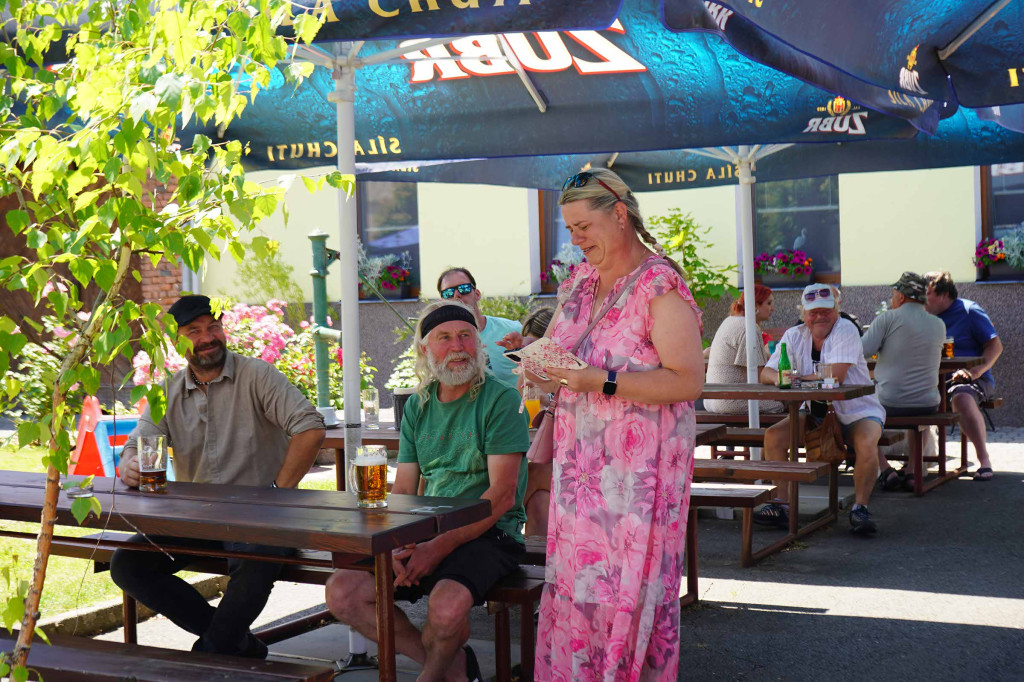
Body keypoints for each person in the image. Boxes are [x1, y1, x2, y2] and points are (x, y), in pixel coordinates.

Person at [523, 168, 704, 680]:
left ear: (620, 215)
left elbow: (689, 380)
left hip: (637, 480)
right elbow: (565, 359)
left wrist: (599, 381)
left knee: (625, 592)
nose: (576, 239)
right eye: (570, 229)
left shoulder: (659, 284)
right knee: (580, 588)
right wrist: (538, 366)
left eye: (584, 226)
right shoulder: (580, 283)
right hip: (580, 475)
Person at [111, 295, 326, 658]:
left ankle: (210, 653)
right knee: (128, 564)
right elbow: (135, 447)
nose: (208, 338)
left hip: (263, 518)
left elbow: (310, 427)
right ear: (176, 341)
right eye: (194, 331)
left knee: (259, 558)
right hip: (197, 519)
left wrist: (278, 492)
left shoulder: (257, 375)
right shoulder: (166, 391)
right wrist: (130, 465)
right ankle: (235, 644)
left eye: (213, 327)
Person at [325, 301, 528, 682]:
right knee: (342, 591)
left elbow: (501, 496)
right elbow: (403, 488)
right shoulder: (418, 406)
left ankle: (432, 676)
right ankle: (454, 669)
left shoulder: (501, 400)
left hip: (490, 533)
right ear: (424, 349)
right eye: (444, 338)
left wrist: (437, 547)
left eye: (466, 336)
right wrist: (394, 542)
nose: (458, 346)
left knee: (447, 609)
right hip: (425, 529)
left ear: (479, 344)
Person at [759, 284, 886, 535]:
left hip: (857, 410)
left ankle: (860, 508)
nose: (820, 316)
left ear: (836, 310)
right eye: (813, 312)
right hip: (814, 412)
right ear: (803, 313)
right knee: (773, 437)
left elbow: (836, 376)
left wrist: (793, 379)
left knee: (866, 442)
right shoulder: (794, 335)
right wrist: (779, 378)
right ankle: (782, 505)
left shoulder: (846, 329)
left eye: (826, 311)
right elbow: (766, 373)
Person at [862, 272, 945, 490]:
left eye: (893, 293)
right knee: (920, 421)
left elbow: (862, 351)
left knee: (855, 412)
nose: (892, 298)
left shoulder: (888, 318)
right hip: (929, 404)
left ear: (900, 296)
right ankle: (912, 471)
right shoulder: (938, 324)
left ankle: (885, 469)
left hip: (891, 403)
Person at [924, 270, 1003, 481]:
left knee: (961, 397)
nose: (921, 299)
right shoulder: (923, 317)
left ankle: (983, 460)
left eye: (926, 293)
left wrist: (974, 372)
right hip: (932, 381)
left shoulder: (969, 311)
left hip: (971, 379)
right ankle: (914, 464)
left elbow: (995, 346)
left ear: (943, 294)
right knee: (899, 397)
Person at [704, 284, 784, 414]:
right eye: (769, 303)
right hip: (730, 401)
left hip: (712, 400)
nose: (772, 308)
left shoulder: (730, 321)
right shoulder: (749, 327)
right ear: (755, 306)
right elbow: (760, 377)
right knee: (783, 404)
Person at [435, 267, 521, 388]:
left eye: (464, 288)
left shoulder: (512, 330)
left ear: (477, 294)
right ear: (441, 302)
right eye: (448, 293)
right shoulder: (438, 343)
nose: (456, 295)